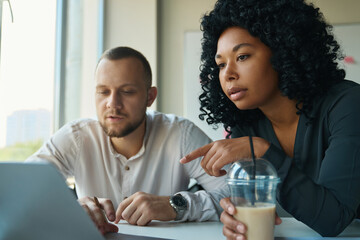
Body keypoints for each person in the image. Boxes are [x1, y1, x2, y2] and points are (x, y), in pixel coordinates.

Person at [180, 0, 360, 238]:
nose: (228, 74)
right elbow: (259, 206)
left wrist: (263, 151)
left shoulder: (347, 104)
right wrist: (235, 217)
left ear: (284, 50)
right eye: (221, 64)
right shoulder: (245, 123)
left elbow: (332, 219)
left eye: (242, 56)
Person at [26, 46, 227, 235]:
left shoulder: (181, 134)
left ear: (150, 96)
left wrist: (176, 205)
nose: (112, 104)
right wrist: (67, 209)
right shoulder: (76, 137)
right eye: (103, 92)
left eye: (127, 91)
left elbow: (239, 194)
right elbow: (18, 192)